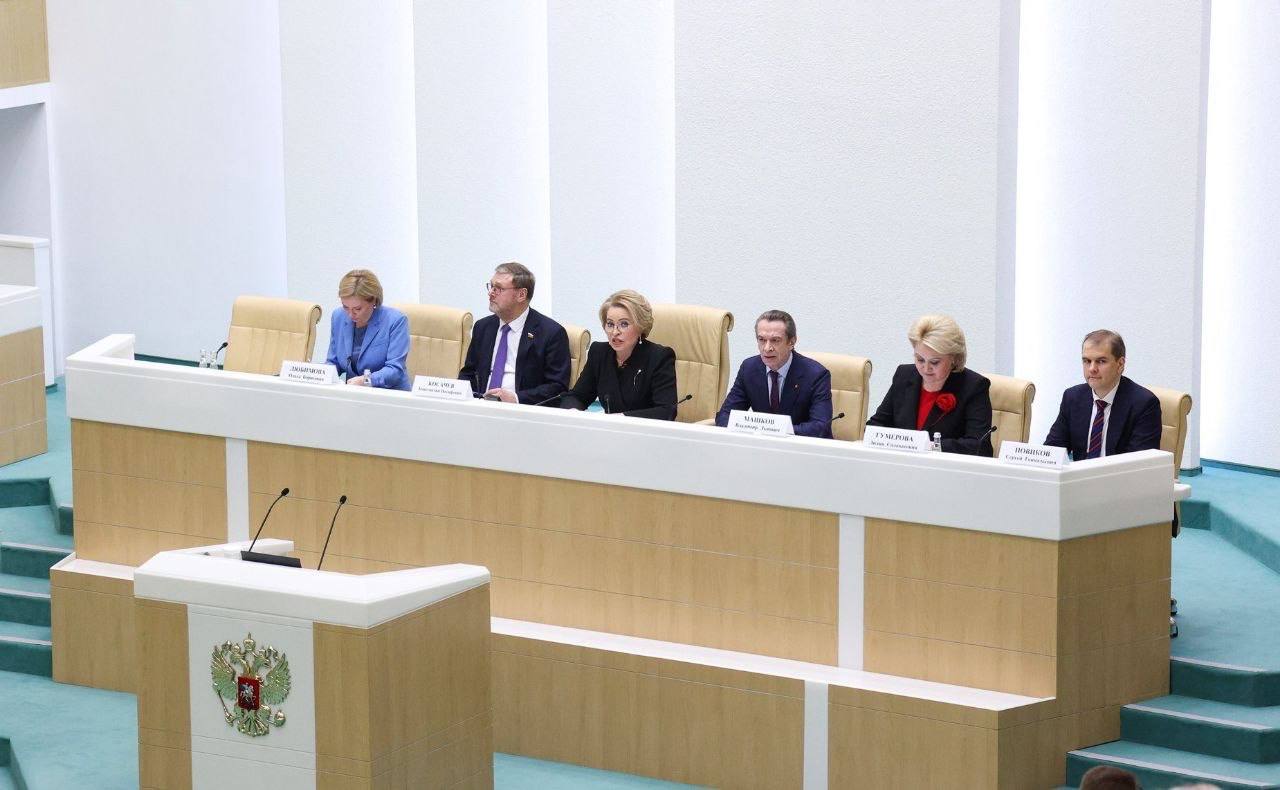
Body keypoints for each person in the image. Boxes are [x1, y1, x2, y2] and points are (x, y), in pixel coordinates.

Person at [866, 314, 994, 456]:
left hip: (945, 467)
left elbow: (979, 446)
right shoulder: (904, 375)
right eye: (920, 359)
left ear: (954, 358)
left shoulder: (974, 386)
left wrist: (929, 446)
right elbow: (875, 426)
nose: (926, 368)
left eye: (934, 362)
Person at [460, 262, 571, 405]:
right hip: (479, 406)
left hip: (522, 411)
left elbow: (557, 387)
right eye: (491, 286)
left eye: (498, 288)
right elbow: (468, 373)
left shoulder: (551, 333)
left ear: (521, 295)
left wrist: (516, 398)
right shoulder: (483, 327)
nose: (491, 293)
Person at [1044, 329, 1161, 460]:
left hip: (1119, 473)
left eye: (1101, 361)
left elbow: (1139, 464)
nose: (1092, 369)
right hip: (1080, 473)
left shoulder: (1144, 404)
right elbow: (1052, 451)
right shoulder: (1073, 397)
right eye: (1087, 361)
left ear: (1120, 364)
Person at [561, 289, 677, 420]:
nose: (615, 332)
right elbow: (577, 396)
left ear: (640, 327)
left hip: (645, 431)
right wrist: (572, 411)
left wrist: (621, 418)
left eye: (624, 324)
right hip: (609, 430)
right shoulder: (599, 353)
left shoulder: (659, 357)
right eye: (610, 324)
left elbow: (666, 411)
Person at [714, 310, 833, 438]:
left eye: (775, 340)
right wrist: (752, 429)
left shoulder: (816, 375)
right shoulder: (749, 368)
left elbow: (820, 427)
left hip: (801, 446)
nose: (767, 348)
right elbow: (725, 416)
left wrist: (774, 430)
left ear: (791, 342)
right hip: (759, 446)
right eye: (762, 340)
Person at [325, 269, 410, 390]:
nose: (350, 314)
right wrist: (320, 375)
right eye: (345, 307)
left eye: (357, 309)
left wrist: (365, 380)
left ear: (374, 300)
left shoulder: (396, 321)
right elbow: (333, 362)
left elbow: (395, 370)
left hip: (389, 393)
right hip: (353, 394)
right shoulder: (338, 316)